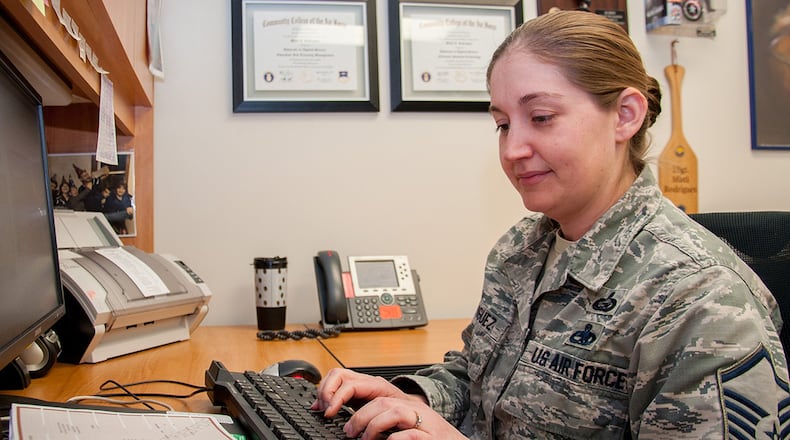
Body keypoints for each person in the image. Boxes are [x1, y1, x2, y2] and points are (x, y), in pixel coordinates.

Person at [312, 10, 790, 439]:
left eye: (540, 117)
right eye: (502, 123)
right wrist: (408, 401)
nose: (512, 148)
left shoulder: (701, 297)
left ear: (625, 116)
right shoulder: (520, 248)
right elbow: (475, 381)